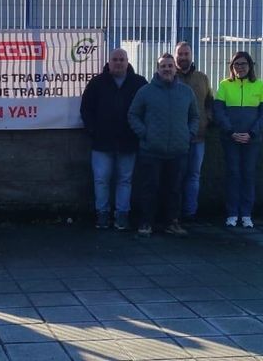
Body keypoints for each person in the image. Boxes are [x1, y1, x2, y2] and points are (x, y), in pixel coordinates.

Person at [127, 53, 198, 237]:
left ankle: (172, 222)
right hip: (151, 150)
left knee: (174, 189)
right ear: (157, 69)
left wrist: (188, 134)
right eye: (163, 66)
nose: (167, 69)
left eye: (170, 66)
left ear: (175, 69)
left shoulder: (186, 92)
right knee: (149, 188)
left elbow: (194, 117)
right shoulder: (145, 91)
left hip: (178, 150)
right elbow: (133, 115)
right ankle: (145, 223)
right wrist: (145, 134)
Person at [80, 48, 148, 230]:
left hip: (128, 141)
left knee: (124, 180)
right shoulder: (97, 83)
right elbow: (86, 109)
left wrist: (140, 132)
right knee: (101, 179)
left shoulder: (139, 83)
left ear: (127, 61)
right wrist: (93, 131)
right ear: (108, 62)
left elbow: (147, 110)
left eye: (121, 59)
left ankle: (122, 215)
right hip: (102, 142)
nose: (118, 62)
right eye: (115, 59)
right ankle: (102, 214)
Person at [213, 51, 263, 229]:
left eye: (243, 64)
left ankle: (246, 214)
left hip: (251, 140)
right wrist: (231, 131)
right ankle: (232, 214)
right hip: (230, 139)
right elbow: (219, 112)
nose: (240, 67)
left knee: (248, 175)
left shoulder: (260, 85)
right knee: (233, 175)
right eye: (236, 64)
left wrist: (252, 133)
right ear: (231, 67)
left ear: (250, 66)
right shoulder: (224, 85)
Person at [174, 41, 214, 221]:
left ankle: (190, 213)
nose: (183, 57)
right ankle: (173, 213)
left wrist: (208, 119)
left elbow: (210, 102)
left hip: (198, 137)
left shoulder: (202, 78)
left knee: (193, 176)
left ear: (191, 56)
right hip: (174, 138)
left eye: (186, 54)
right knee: (175, 176)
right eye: (180, 54)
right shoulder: (169, 76)